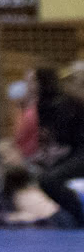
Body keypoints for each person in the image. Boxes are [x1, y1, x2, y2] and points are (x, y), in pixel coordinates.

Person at [31, 66, 84, 227]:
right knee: (46, 178)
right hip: (77, 152)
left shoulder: (70, 104)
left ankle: (79, 215)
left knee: (49, 179)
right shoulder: (65, 105)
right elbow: (63, 138)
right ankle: (77, 214)